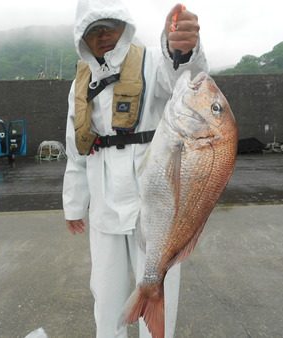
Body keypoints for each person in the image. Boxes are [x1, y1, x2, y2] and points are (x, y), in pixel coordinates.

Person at [62, 1, 209, 337]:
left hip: (154, 205)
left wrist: (184, 51)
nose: (103, 36)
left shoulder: (153, 62)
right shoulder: (79, 84)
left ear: (125, 26)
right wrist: (73, 204)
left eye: (110, 26)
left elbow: (185, 82)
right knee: (106, 295)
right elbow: (76, 150)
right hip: (103, 206)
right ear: (81, 37)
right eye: (93, 30)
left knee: (160, 292)